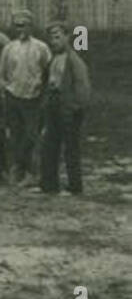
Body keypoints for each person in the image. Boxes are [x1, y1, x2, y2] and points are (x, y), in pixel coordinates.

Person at [0, 9, 51, 186]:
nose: (20, 29)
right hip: (13, 97)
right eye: (17, 25)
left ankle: (32, 172)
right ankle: (16, 169)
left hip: (33, 99)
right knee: (15, 135)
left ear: (31, 26)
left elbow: (48, 72)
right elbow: (2, 74)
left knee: (32, 135)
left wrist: (42, 92)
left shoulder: (41, 48)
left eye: (24, 25)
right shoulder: (9, 48)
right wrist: (6, 90)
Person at [37, 21, 90, 196]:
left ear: (67, 37)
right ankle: (48, 184)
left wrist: (74, 108)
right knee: (49, 145)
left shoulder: (74, 60)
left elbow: (82, 89)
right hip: (53, 105)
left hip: (69, 108)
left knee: (71, 148)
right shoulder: (53, 58)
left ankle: (75, 187)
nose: (54, 41)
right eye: (51, 38)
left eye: (58, 37)